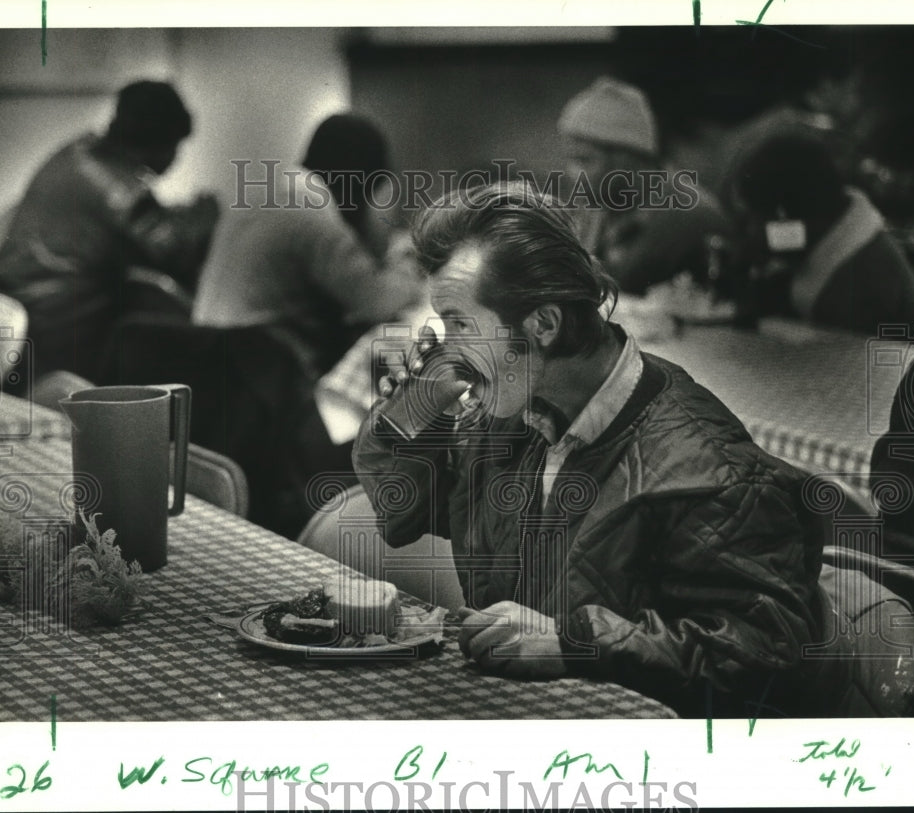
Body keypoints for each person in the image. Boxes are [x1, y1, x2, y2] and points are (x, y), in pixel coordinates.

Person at [354, 182, 875, 718]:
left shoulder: (711, 468)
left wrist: (574, 645)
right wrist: (411, 413)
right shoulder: (510, 416)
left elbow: (768, 656)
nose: (445, 346)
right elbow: (402, 515)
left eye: (460, 323)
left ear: (545, 325)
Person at [0, 80, 219, 381]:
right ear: (161, 142)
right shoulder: (118, 187)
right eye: (176, 146)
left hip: (20, 313)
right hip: (55, 333)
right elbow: (175, 253)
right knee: (176, 347)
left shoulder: (76, 152)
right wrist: (206, 217)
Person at [192, 113, 421, 381]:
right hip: (258, 382)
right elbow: (377, 301)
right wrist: (405, 260)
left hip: (212, 364)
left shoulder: (271, 192)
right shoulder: (311, 213)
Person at [724, 129, 914, 334]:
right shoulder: (835, 234)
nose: (750, 231)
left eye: (754, 219)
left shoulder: (857, 277)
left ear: (783, 215)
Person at [558, 77, 729, 296]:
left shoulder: (693, 219)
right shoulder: (599, 207)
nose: (571, 175)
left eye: (583, 160)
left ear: (627, 160)